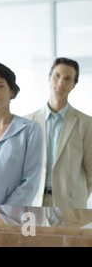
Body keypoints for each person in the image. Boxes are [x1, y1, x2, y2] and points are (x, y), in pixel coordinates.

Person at [25, 57, 92, 208]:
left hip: (71, 205)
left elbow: (91, 172)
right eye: (57, 76)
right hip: (34, 203)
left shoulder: (87, 124)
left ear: (74, 84)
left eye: (68, 78)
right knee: (30, 233)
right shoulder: (28, 122)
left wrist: (77, 196)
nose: (61, 82)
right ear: (49, 78)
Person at [0, 62, 43, 206]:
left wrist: (4, 213)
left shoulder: (30, 129)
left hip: (14, 215)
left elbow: (31, 180)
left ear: (12, 91)